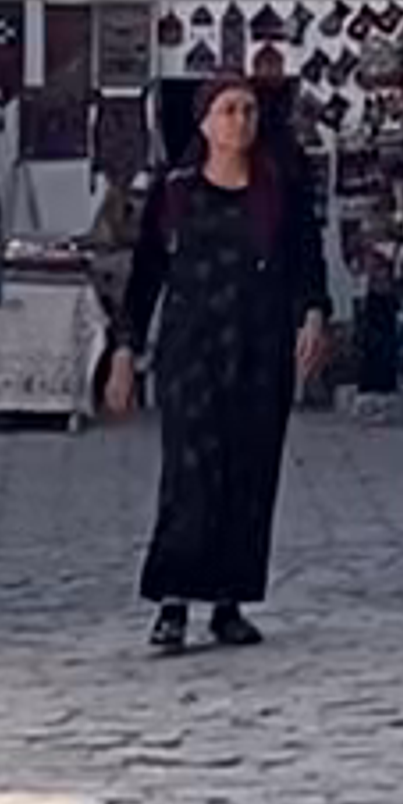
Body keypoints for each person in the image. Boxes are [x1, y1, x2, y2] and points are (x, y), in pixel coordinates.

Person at [103, 69, 330, 649]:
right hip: (192, 349)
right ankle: (173, 602)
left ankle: (229, 601)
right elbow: (146, 274)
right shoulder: (176, 191)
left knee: (250, 473)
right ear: (205, 122)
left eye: (249, 110)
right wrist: (126, 350)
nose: (240, 121)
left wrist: (312, 314)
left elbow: (307, 260)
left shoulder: (278, 189)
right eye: (228, 110)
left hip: (259, 348)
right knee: (190, 471)